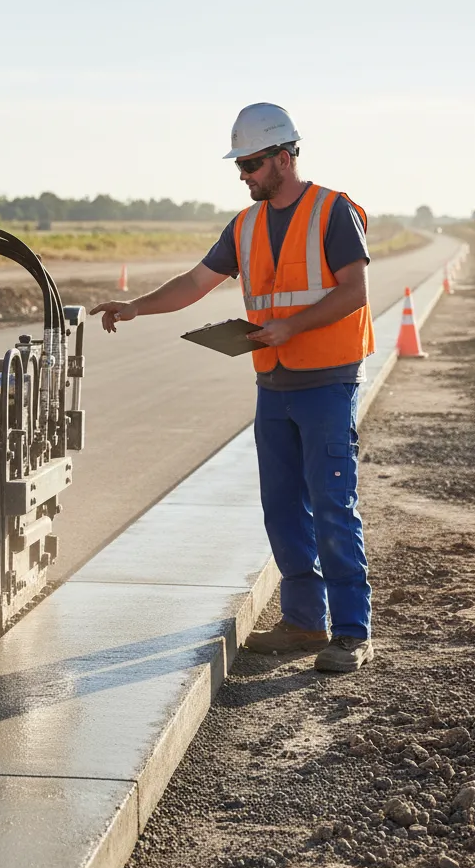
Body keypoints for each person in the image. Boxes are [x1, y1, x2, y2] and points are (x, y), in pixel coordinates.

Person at [92, 103, 375, 674]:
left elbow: (355, 291)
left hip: (326, 382)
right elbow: (197, 283)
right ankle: (303, 621)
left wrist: (292, 325)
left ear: (284, 156)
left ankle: (350, 632)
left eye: (250, 163)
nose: (243, 175)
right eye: (239, 165)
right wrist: (136, 307)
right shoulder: (244, 225)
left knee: (332, 506)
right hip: (272, 383)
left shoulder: (332, 211)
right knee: (281, 509)